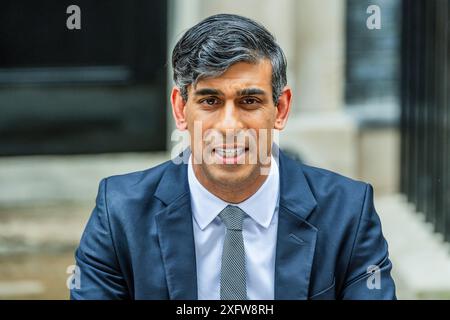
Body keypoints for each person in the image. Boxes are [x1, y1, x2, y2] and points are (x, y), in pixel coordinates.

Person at [70, 14, 396, 300]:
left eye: (249, 102)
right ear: (181, 110)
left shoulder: (348, 213)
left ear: (280, 109)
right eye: (210, 101)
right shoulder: (120, 214)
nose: (229, 126)